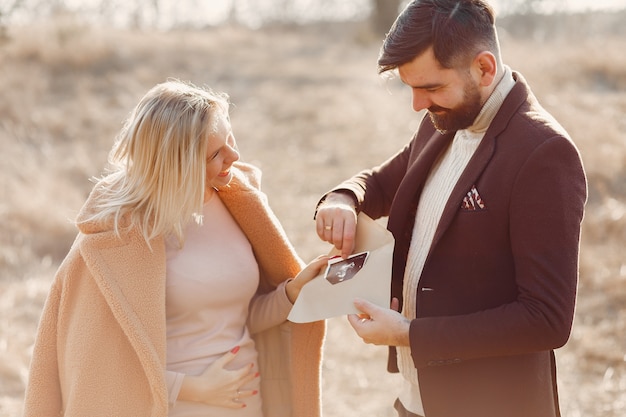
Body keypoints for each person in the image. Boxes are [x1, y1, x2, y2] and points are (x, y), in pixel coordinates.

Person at [314, 1, 587, 417]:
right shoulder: (445, 117)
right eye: (410, 88)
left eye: (431, 87)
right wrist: (343, 196)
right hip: (417, 397)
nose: (417, 105)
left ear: (484, 68)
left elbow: (546, 318)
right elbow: (386, 181)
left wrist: (410, 334)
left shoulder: (544, 154)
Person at [23, 80, 328, 417]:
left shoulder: (236, 204)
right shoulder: (114, 237)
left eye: (230, 139)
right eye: (216, 153)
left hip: (247, 405)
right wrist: (192, 388)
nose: (235, 156)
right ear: (177, 162)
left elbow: (234, 318)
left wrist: (290, 294)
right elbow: (94, 362)